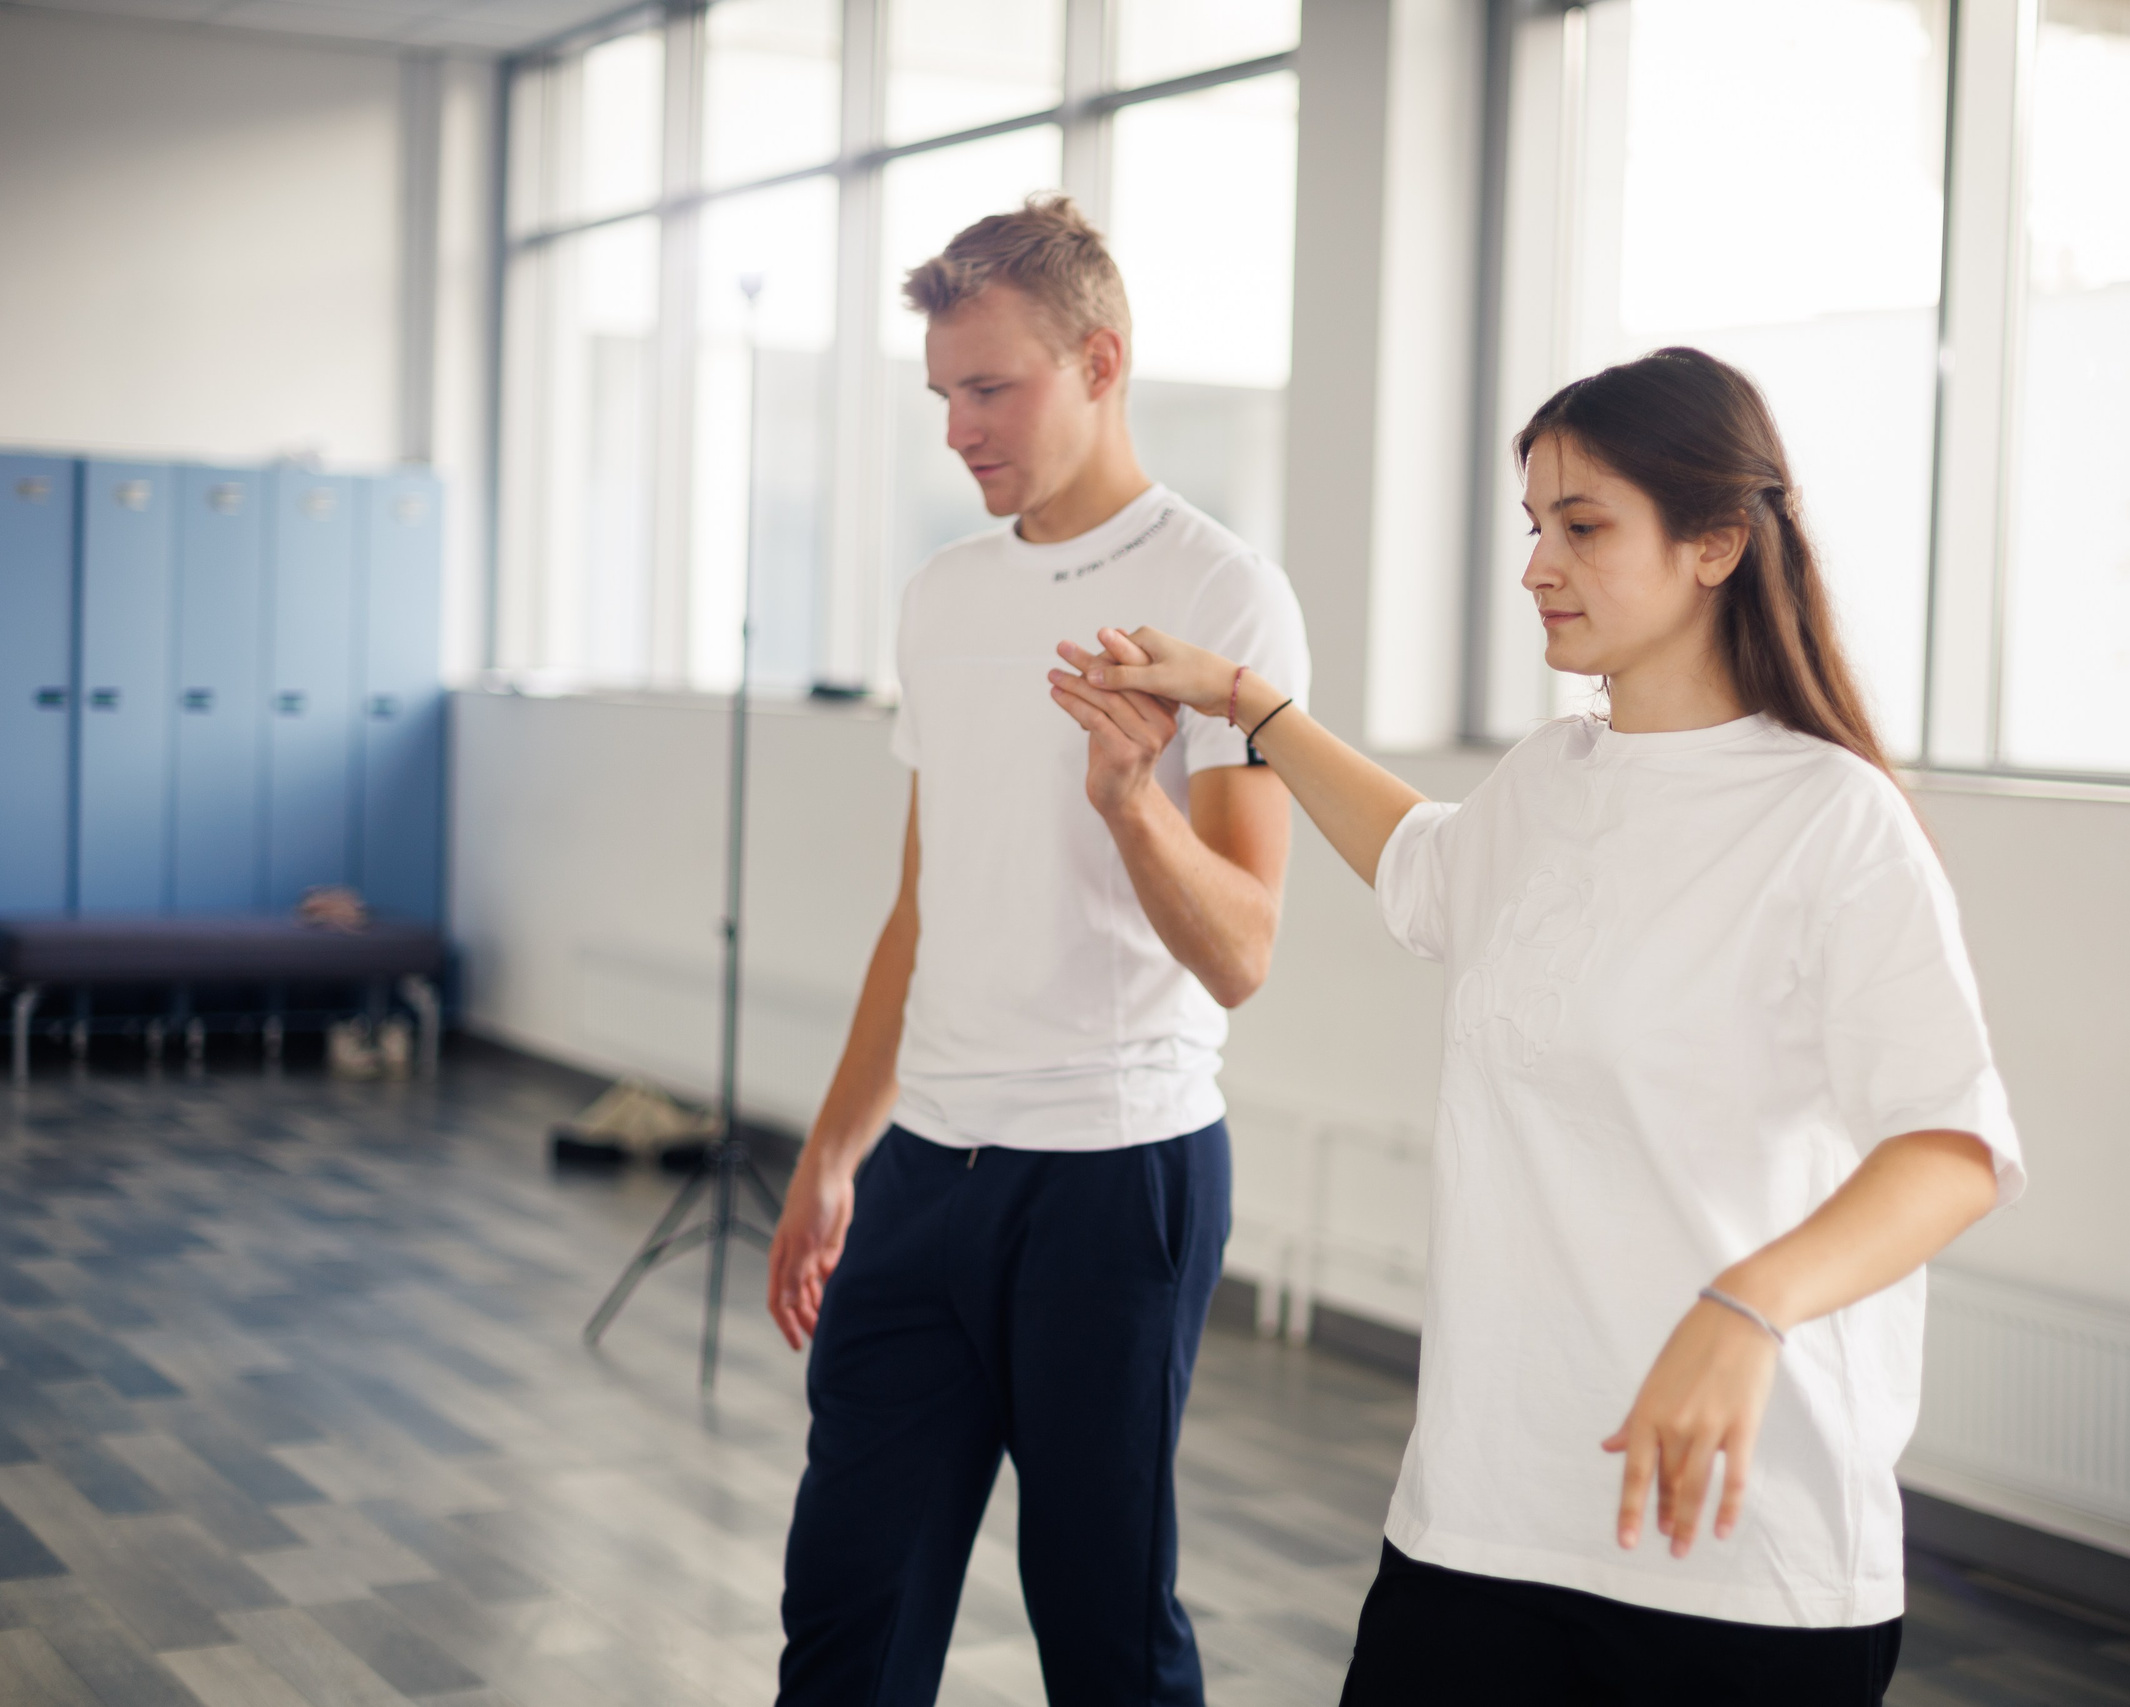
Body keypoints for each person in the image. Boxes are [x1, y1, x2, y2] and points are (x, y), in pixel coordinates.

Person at [1051, 347, 2027, 1707]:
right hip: (1482, 1518)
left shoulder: (1831, 821)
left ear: (1717, 545)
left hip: (1735, 1558)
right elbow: (1421, 863)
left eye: (1584, 526)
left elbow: (1951, 1147)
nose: (1537, 565)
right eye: (1533, 526)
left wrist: (1749, 1307)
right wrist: (1243, 705)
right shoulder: (1553, 776)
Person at [766, 196, 1310, 1707]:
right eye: (942, 393)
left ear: (1101, 363)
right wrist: (832, 1155)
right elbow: (922, 907)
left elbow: (1245, 950)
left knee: (1104, 1634)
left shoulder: (1220, 594)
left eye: (989, 387)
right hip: (923, 1174)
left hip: (1114, 1178)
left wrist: (1133, 801)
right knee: (844, 1615)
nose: (958, 430)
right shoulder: (944, 599)